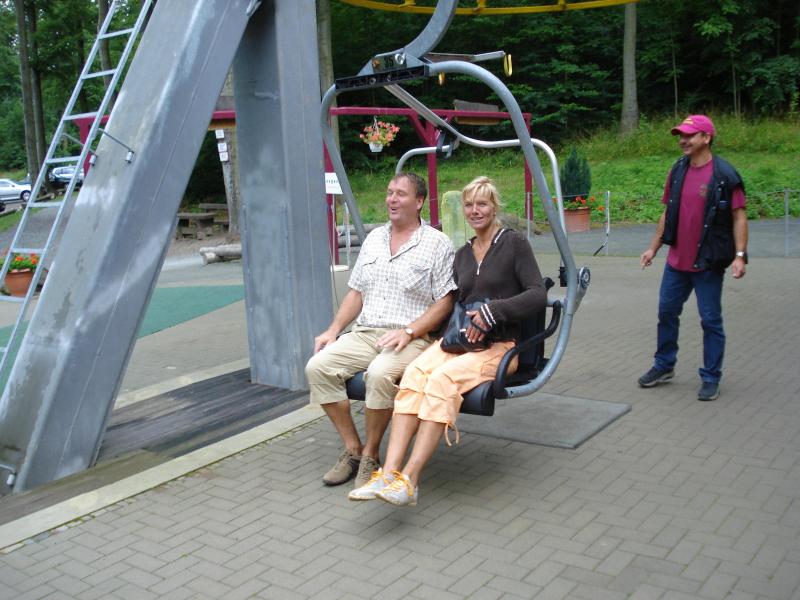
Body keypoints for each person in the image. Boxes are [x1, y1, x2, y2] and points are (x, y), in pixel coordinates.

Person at [348, 176, 547, 506]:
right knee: (414, 375)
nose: (475, 211)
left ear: (494, 207)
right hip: (461, 342)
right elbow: (453, 302)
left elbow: (537, 294)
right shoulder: (463, 254)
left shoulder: (513, 243)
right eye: (469, 205)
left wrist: (494, 312)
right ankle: (388, 473)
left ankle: (409, 480)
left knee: (442, 380)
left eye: (482, 204)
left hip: (500, 347)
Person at [305, 172, 457, 489]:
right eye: (389, 193)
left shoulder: (437, 244)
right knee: (318, 367)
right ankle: (353, 449)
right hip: (366, 332)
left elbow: (445, 302)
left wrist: (410, 331)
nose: (392, 199)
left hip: (411, 337)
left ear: (419, 201)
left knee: (378, 374)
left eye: (400, 194)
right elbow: (356, 292)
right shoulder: (374, 239)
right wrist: (333, 330)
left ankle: (372, 454)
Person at [638, 115, 748, 401]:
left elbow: (739, 217)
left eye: (689, 135)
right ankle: (664, 365)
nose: (683, 141)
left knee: (710, 321)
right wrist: (653, 248)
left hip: (707, 263)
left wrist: (740, 256)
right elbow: (667, 213)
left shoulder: (725, 175)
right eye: (681, 136)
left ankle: (711, 377)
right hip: (676, 263)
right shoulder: (677, 170)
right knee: (666, 313)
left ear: (706, 138)